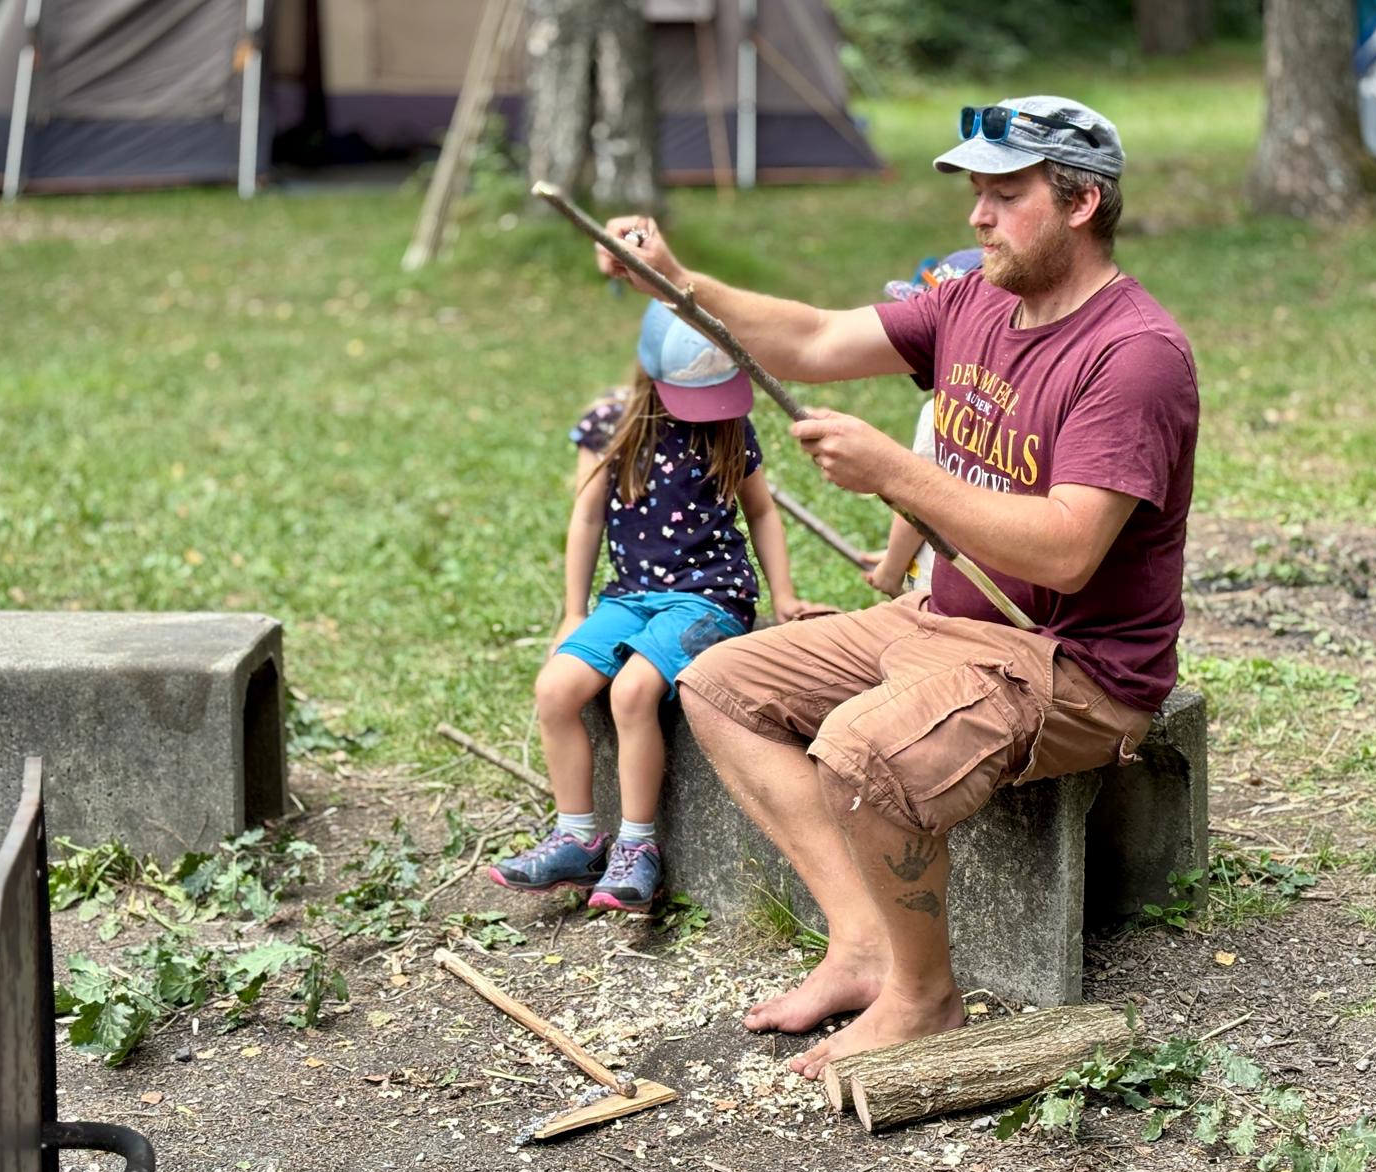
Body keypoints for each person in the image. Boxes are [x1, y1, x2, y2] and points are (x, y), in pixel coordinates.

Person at [595, 96, 1200, 1074]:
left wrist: (897, 472)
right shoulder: (973, 303)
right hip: (943, 617)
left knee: (860, 750)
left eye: (1006, 194)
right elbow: (812, 341)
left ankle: (924, 998)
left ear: (1082, 202)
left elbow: (1065, 552)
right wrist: (677, 281)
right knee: (718, 683)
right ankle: (863, 944)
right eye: (975, 192)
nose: (977, 216)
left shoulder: (1134, 357)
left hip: (1069, 664)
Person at [488, 300, 803, 913]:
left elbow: (762, 512)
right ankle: (578, 839)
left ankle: (638, 847)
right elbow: (586, 519)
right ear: (651, 374)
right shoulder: (609, 426)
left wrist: (784, 594)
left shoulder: (729, 424)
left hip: (710, 596)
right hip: (630, 596)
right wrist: (573, 611)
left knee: (632, 692)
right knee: (555, 689)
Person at [865, 249, 983, 598]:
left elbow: (919, 501)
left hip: (940, 588)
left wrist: (891, 569)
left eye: (927, 328)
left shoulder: (943, 412)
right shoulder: (1009, 409)